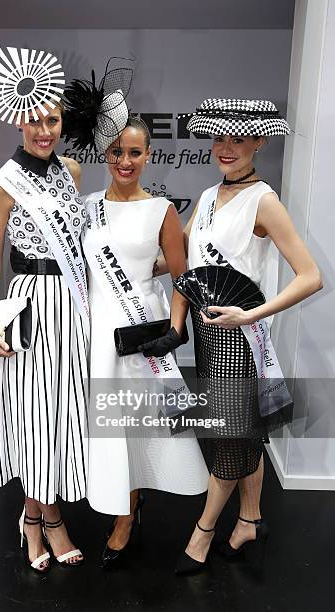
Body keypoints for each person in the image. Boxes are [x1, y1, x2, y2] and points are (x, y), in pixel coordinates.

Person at [146, 98, 322, 575]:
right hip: (207, 334)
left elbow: (310, 276)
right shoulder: (206, 197)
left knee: (228, 439)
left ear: (259, 141)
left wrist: (251, 315)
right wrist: (139, 267)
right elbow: (181, 255)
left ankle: (201, 535)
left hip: (242, 341)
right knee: (246, 433)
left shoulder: (264, 200)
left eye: (239, 139)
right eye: (220, 137)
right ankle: (249, 520)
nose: (226, 148)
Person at [62, 67, 209, 569]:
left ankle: (127, 514)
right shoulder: (85, 208)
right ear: (104, 154)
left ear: (148, 155)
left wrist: (174, 329)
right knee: (109, 426)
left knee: (140, 423)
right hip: (96, 331)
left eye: (135, 152)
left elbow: (180, 277)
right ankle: (121, 500)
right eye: (116, 152)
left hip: (140, 332)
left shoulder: (162, 211)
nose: (125, 161)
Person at [0, 43, 90, 572]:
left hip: (72, 307)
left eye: (53, 118)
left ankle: (35, 516)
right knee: (32, 420)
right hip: (28, 310)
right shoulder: (1, 186)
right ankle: (45, 521)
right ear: (17, 120)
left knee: (63, 418)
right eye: (34, 119)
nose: (44, 130)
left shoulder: (71, 170)